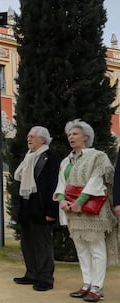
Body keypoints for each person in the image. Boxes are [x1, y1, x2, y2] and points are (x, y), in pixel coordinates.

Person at [54, 119, 118, 302]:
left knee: (96, 248)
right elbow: (61, 183)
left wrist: (80, 201)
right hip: (72, 211)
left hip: (93, 211)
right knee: (81, 248)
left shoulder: (98, 156)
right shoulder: (67, 160)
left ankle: (97, 287)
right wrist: (61, 200)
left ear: (86, 137)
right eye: (69, 135)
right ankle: (86, 284)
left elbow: (97, 180)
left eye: (75, 134)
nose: (70, 137)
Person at [13, 126, 61, 291]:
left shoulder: (51, 158)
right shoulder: (28, 157)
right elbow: (20, 179)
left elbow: (55, 185)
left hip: (42, 206)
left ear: (43, 139)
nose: (28, 139)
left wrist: (51, 211)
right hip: (27, 204)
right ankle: (31, 273)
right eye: (28, 136)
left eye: (32, 136)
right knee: (27, 242)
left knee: (42, 243)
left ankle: (46, 278)